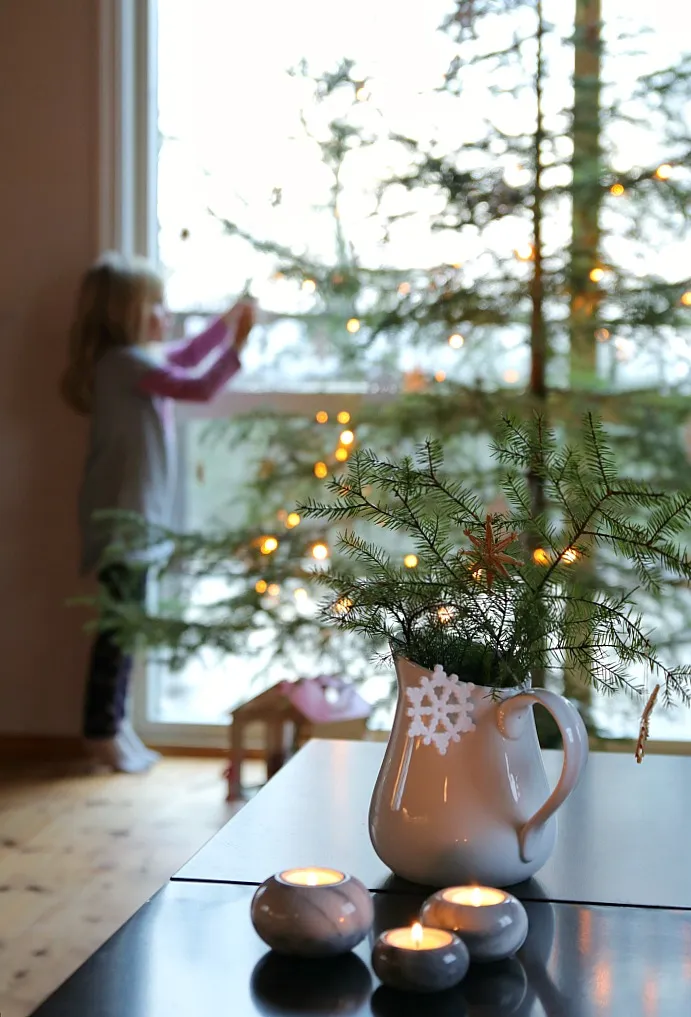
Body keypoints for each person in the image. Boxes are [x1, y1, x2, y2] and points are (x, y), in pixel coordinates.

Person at [62, 251, 255, 772]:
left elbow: (188, 356)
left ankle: (112, 722)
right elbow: (196, 383)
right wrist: (236, 344)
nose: (166, 314)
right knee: (119, 627)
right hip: (123, 520)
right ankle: (101, 726)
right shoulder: (126, 364)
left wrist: (226, 324)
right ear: (127, 312)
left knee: (125, 624)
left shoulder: (133, 362)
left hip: (134, 517)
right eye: (157, 304)